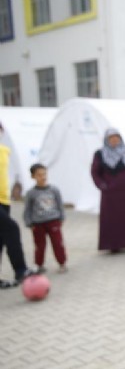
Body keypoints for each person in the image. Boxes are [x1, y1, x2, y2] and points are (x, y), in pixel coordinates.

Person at [0, 122, 35, 288]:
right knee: (11, 228)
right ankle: (21, 270)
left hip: (3, 199)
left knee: (1, 238)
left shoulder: (4, 151)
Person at [23, 163, 68, 274]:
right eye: (39, 175)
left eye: (44, 174)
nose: (43, 177)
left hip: (53, 221)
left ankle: (62, 263)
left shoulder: (54, 190)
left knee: (58, 243)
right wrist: (29, 223)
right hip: (38, 224)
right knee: (39, 245)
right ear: (33, 177)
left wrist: (61, 218)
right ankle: (39, 265)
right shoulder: (31, 193)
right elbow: (27, 209)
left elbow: (60, 205)